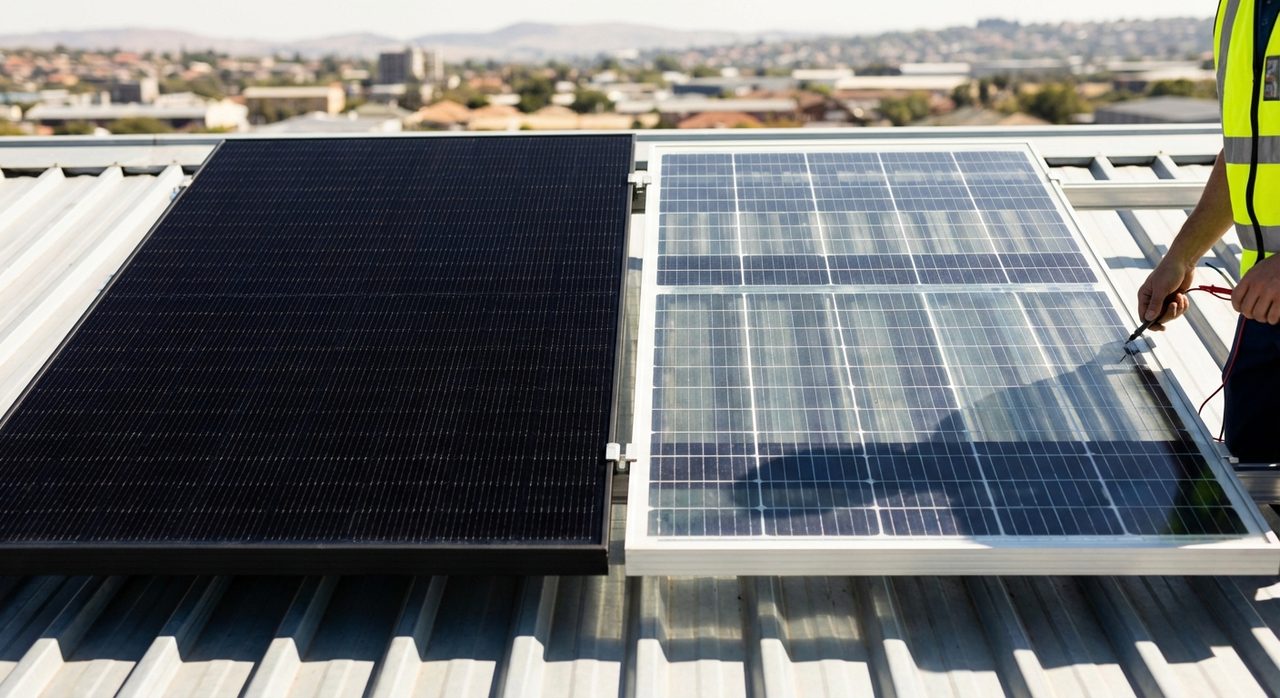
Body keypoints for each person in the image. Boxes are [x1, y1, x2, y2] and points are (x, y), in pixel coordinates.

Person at [1139, 0, 1280, 461]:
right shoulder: (1239, 10)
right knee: (1255, 470)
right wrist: (1183, 254)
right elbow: (1249, 150)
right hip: (1266, 303)